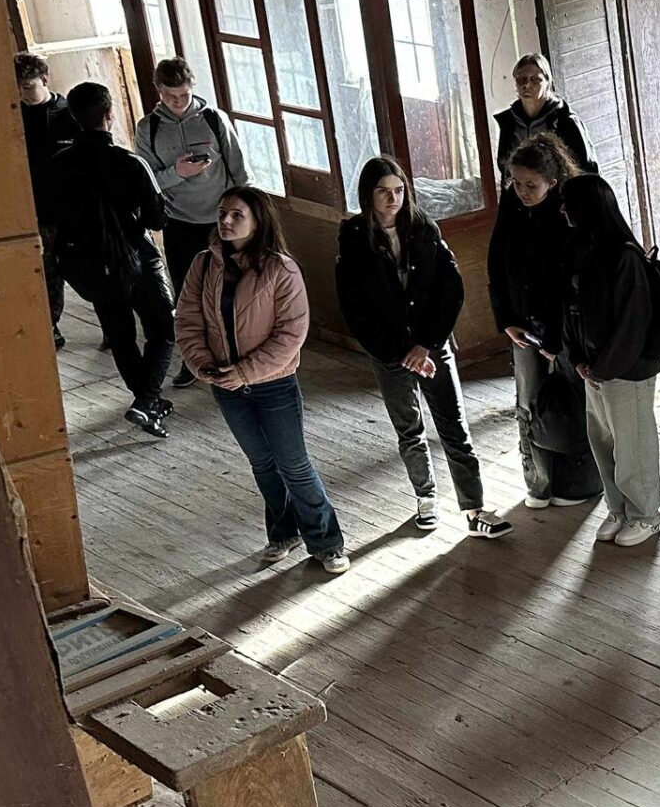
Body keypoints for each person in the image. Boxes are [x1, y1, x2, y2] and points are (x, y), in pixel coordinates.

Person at [335, 156, 511, 539]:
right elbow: (356, 310)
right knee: (409, 429)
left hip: (432, 344)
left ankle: (474, 508)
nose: (393, 199)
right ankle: (425, 497)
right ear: (368, 195)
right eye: (383, 191)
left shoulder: (422, 227)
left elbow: (451, 289)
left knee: (454, 426)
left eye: (399, 191)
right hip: (390, 353)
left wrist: (426, 345)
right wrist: (404, 353)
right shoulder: (354, 237)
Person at [177, 187, 348, 574]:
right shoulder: (203, 264)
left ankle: (327, 542)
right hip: (225, 387)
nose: (225, 220)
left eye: (237, 214)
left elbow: (291, 335)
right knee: (262, 464)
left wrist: (243, 372)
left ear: (258, 221)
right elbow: (187, 322)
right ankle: (283, 533)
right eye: (222, 212)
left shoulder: (280, 269)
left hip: (274, 384)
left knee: (294, 465)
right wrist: (204, 366)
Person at [48, 81, 175, 437]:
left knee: (120, 335)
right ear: (109, 114)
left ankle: (147, 403)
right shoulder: (130, 162)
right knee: (163, 329)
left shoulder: (57, 166)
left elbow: (52, 215)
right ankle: (147, 400)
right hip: (137, 257)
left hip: (88, 263)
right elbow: (157, 219)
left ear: (74, 118)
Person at [487, 131, 602, 510]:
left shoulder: (569, 211)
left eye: (531, 185)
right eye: (516, 183)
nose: (522, 191)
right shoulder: (512, 203)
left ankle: (578, 485)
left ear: (553, 182)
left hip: (565, 330)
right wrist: (506, 318)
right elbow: (496, 263)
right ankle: (538, 484)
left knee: (572, 403)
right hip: (522, 326)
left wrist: (556, 339)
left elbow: (569, 283)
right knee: (529, 403)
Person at [561, 176, 660, 547]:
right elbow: (570, 311)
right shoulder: (579, 248)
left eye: (569, 203)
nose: (563, 210)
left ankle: (646, 515)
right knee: (603, 440)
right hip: (594, 367)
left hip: (625, 369)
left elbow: (632, 324)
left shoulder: (624, 256)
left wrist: (603, 368)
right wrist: (577, 359)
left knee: (632, 444)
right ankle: (618, 508)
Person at [135, 58, 249, 388]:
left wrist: (247, 214)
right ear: (158, 91)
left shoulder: (214, 119)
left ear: (192, 88)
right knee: (188, 295)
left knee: (234, 289)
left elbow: (240, 170)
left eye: (183, 95)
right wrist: (178, 172)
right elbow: (148, 181)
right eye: (170, 96)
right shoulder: (148, 129)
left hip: (222, 220)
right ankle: (193, 359)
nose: (177, 101)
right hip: (179, 221)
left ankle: (238, 355)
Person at [16, 52, 75, 347]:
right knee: (47, 270)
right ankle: (51, 325)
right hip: (37, 208)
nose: (23, 94)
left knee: (84, 267)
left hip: (72, 207)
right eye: (18, 88)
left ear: (45, 80)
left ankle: (110, 325)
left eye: (28, 87)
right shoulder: (13, 116)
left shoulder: (68, 114)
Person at [492, 52, 591, 189]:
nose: (527, 85)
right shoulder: (509, 122)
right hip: (522, 197)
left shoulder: (565, 121)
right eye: (521, 79)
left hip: (559, 197)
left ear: (547, 82)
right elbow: (505, 170)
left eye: (535, 79)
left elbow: (587, 170)